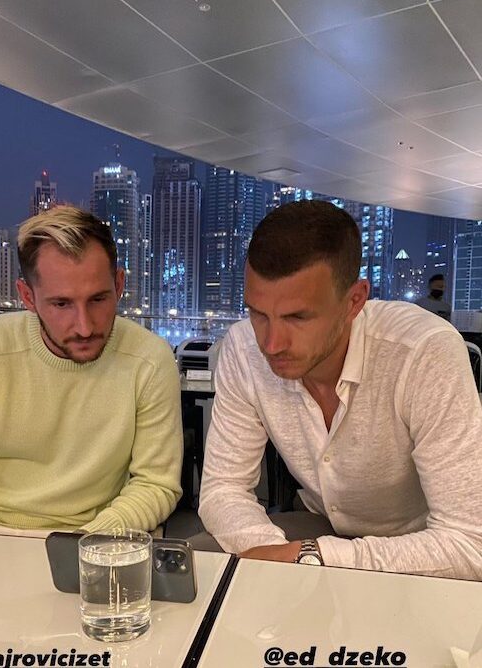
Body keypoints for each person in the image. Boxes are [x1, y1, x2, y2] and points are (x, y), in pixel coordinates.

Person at [198, 201, 482, 580]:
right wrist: (272, 553)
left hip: (420, 546)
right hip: (318, 525)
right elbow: (223, 489)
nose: (271, 343)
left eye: (298, 317)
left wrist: (312, 557)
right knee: (195, 564)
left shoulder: (423, 351)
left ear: (354, 301)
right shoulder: (243, 347)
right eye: (258, 313)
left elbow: (469, 543)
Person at [0, 207, 183, 535]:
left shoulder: (150, 360)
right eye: (61, 304)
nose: (85, 326)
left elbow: (156, 484)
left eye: (98, 299)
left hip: (98, 537)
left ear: (119, 285)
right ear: (28, 297)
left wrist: (87, 544)